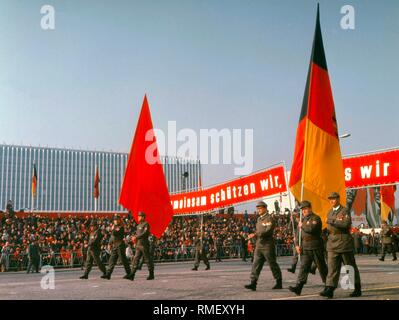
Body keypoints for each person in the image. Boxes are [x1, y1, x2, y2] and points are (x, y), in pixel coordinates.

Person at [320, 192, 362, 298]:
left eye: (333, 198)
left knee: (349, 267)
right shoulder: (329, 212)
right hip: (332, 244)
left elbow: (345, 224)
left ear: (338, 199)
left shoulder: (344, 210)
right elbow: (329, 228)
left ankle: (357, 288)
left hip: (344, 243)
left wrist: (331, 220)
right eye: (330, 199)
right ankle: (330, 289)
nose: (331, 200)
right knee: (332, 268)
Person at [289, 201, 328, 295]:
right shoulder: (302, 220)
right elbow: (298, 235)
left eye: (305, 208)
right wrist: (297, 245)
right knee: (304, 267)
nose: (304, 211)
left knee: (321, 267)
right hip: (305, 247)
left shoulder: (315, 218)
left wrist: (302, 225)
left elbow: (311, 229)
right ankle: (299, 287)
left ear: (310, 208)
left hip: (315, 246)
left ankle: (328, 286)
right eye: (302, 209)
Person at [244, 201, 282, 291]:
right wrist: (254, 236)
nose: (258, 210)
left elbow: (268, 231)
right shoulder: (259, 219)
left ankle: (279, 282)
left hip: (267, 244)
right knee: (256, 264)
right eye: (258, 208)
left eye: (260, 208)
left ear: (265, 208)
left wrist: (255, 234)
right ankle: (253, 283)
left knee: (272, 264)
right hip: (259, 244)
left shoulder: (269, 218)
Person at [127, 212, 154, 281]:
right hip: (138, 245)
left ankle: (151, 274)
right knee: (135, 260)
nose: (138, 217)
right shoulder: (138, 225)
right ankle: (132, 275)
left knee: (147, 260)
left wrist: (136, 237)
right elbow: (136, 234)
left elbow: (145, 233)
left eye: (140, 216)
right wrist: (133, 239)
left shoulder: (146, 224)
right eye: (138, 216)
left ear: (143, 217)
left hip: (144, 244)